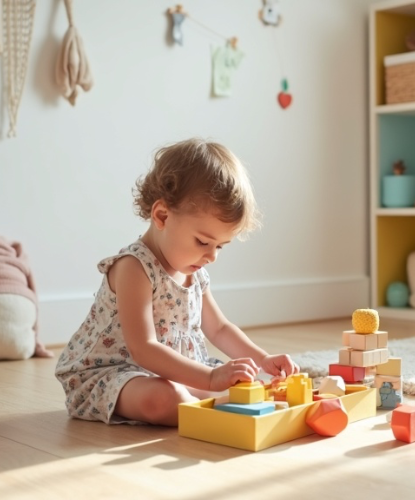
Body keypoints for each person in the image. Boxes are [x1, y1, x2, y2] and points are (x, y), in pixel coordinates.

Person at [55, 138, 299, 426]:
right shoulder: (133, 268)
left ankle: (206, 402)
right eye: (203, 241)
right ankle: (203, 404)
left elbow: (219, 329)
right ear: (162, 216)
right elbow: (143, 348)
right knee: (165, 399)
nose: (212, 256)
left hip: (175, 374)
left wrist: (262, 359)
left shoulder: (194, 270)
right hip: (113, 374)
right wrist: (209, 377)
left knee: (245, 385)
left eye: (220, 247)